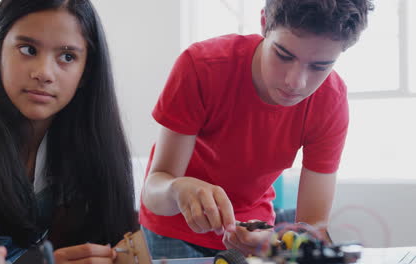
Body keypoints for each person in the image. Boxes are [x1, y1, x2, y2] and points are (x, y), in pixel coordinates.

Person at [140, 0, 374, 259]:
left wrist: (278, 243)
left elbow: (312, 228)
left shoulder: (330, 100)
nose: (295, 82)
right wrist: (177, 188)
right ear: (264, 23)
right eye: (283, 55)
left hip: (254, 232)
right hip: (170, 230)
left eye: (320, 66)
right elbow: (155, 192)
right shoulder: (201, 66)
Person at [0, 0, 136, 263]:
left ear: (86, 71)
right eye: (28, 49)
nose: (44, 73)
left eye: (67, 57)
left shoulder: (87, 146)